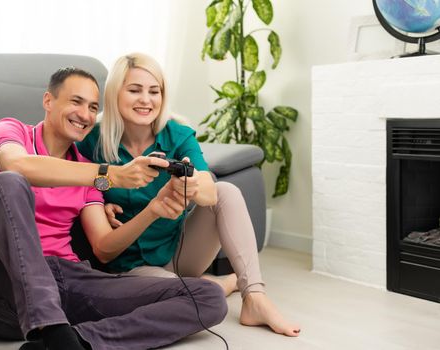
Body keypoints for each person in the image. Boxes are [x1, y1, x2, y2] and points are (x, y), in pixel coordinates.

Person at [0, 67, 228, 350]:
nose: (86, 115)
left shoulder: (87, 170)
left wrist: (153, 209)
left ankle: (79, 341)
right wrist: (113, 174)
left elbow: (104, 246)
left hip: (69, 278)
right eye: (76, 101)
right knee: (7, 182)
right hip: (5, 290)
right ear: (48, 101)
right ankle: (52, 327)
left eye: (93, 107)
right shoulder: (12, 131)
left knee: (208, 296)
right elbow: (18, 165)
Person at [77, 53, 301, 337]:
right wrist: (101, 199)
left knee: (225, 191)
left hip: (179, 252)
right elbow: (77, 191)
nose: (146, 100)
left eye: (154, 91)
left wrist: (192, 186)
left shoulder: (177, 134)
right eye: (134, 90)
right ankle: (221, 284)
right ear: (114, 94)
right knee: (192, 296)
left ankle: (254, 297)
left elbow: (208, 189)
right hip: (131, 267)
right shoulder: (91, 142)